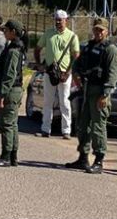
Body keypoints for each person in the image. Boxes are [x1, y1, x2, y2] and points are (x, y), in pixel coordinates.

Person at [65, 18, 117, 174]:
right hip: (86, 90)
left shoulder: (111, 50)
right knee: (83, 126)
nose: (98, 32)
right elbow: (77, 63)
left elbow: (112, 74)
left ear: (107, 31)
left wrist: (105, 94)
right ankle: (83, 158)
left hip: (99, 92)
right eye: (96, 29)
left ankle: (99, 160)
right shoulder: (89, 47)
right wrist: (75, 74)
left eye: (101, 30)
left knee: (98, 127)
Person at [32, 10, 80, 138]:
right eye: (56, 19)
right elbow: (37, 49)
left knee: (65, 102)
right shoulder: (48, 34)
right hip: (49, 72)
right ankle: (46, 129)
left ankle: (66, 131)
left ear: (66, 20)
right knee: (48, 101)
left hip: (65, 74)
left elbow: (76, 56)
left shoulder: (72, 36)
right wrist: (39, 64)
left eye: (60, 19)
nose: (58, 22)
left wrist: (68, 72)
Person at [0, 19, 26, 167]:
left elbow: (10, 74)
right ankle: (12, 156)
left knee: (6, 124)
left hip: (10, 91)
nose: (4, 32)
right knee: (13, 124)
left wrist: (2, 94)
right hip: (14, 90)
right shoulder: (16, 47)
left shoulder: (13, 51)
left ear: (13, 32)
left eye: (6, 30)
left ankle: (6, 156)